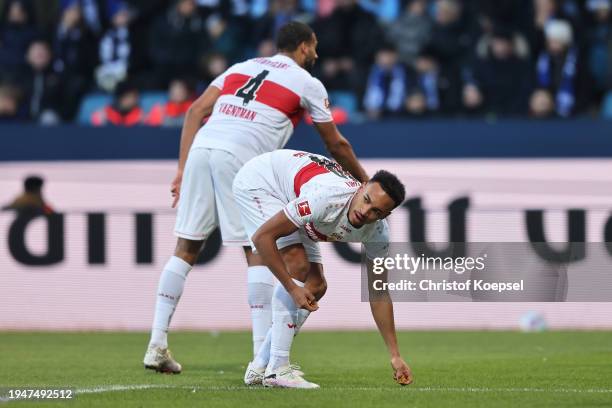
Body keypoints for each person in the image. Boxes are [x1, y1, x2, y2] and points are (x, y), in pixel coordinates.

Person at [143, 21, 369, 374]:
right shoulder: (306, 81)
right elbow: (335, 143)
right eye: (315, 46)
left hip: (203, 148)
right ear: (305, 47)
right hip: (242, 157)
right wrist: (365, 181)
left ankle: (156, 343)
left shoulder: (240, 67)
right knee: (259, 250)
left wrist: (181, 168)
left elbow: (194, 112)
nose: (317, 53)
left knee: (186, 247)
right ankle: (260, 362)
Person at [233, 149, 412, 388]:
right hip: (262, 182)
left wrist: (395, 355)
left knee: (316, 286)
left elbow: (378, 293)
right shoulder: (325, 198)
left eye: (376, 212)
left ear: (385, 215)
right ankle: (277, 369)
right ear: (362, 186)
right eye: (367, 199)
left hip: (295, 195)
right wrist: (291, 288)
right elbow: (263, 238)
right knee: (297, 264)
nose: (364, 212)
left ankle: (258, 367)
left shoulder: (378, 234)